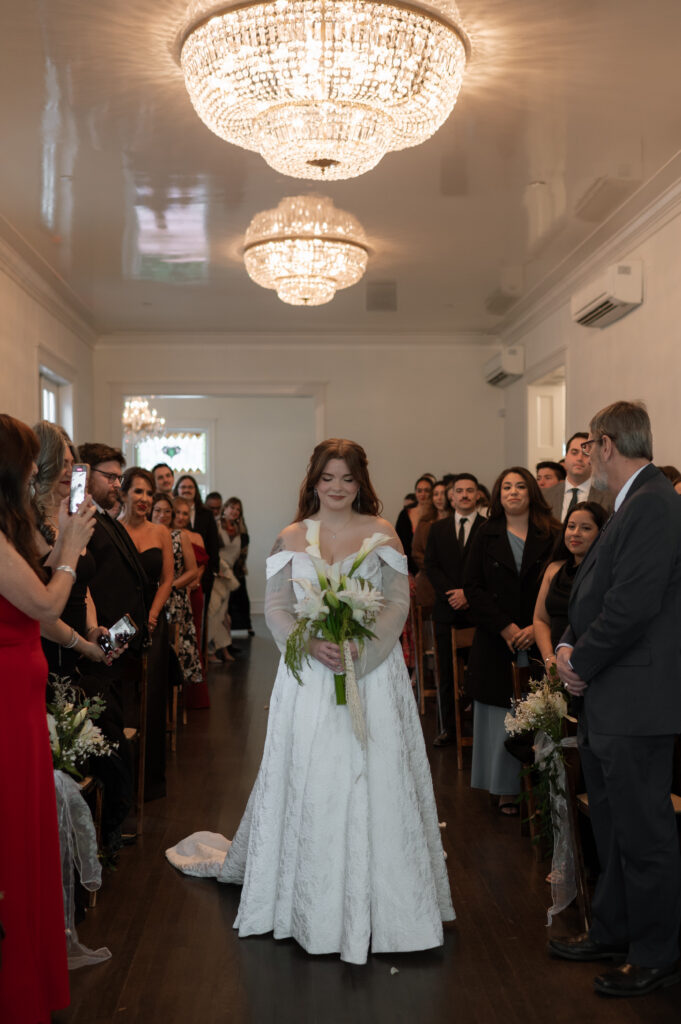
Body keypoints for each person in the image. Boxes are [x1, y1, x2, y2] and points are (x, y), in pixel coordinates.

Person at [166, 438, 454, 964]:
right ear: (313, 482)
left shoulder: (382, 532)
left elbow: (396, 600)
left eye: (347, 479)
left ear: (361, 482)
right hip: (310, 675)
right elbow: (276, 607)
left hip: (371, 672)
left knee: (376, 772)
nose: (338, 488)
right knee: (315, 773)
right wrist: (307, 641)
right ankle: (310, 903)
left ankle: (388, 905)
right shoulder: (290, 537)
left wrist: (361, 653)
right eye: (328, 479)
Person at [550, 401, 681, 998]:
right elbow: (594, 593)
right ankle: (614, 929)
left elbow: (633, 604)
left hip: (636, 696)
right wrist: (573, 641)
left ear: (606, 444)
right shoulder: (631, 499)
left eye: (589, 449)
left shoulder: (653, 501)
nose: (587, 460)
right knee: (610, 822)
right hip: (611, 689)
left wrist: (581, 661)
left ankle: (655, 952)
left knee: (643, 832)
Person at [0, 414, 96, 1022]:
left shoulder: (12, 530)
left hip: (23, 701)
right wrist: (70, 554)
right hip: (5, 704)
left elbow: (42, 601)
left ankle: (31, 976)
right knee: (13, 836)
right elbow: (42, 601)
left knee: (28, 834)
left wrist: (62, 534)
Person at [464, 467, 559, 813]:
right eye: (507, 487)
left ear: (532, 493)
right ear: (498, 495)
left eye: (521, 486)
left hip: (539, 636)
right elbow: (472, 587)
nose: (514, 492)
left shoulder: (551, 533)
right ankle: (505, 788)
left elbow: (562, 584)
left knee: (540, 709)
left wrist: (538, 626)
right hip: (496, 639)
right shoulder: (484, 534)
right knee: (501, 712)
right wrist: (505, 626)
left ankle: (545, 787)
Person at [119, 469, 173, 800]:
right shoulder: (111, 529)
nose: (144, 499)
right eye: (138, 492)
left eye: (149, 493)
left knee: (151, 696)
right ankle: (121, 776)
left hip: (153, 620)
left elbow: (167, 578)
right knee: (122, 695)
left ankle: (149, 780)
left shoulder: (161, 532)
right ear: (123, 493)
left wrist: (153, 614)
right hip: (120, 623)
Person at [424, 473, 486, 747]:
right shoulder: (438, 529)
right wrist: (452, 594)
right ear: (451, 496)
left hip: (478, 612)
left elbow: (488, 568)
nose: (464, 495)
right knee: (446, 674)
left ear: (477, 495)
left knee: (480, 671)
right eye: (459, 491)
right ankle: (449, 728)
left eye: (469, 490)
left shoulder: (488, 527)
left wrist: (468, 595)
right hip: (446, 610)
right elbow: (431, 566)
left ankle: (479, 729)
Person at [151, 492, 209, 709]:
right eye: (158, 510)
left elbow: (193, 571)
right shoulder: (145, 534)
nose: (163, 515)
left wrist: (170, 586)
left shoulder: (179, 536)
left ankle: (175, 702)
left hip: (175, 600)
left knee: (177, 650)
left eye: (167, 511)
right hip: (150, 600)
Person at [533, 502, 607, 670]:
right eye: (571, 526)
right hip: (552, 664)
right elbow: (540, 619)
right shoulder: (553, 569)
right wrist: (549, 658)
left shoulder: (603, 572)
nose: (575, 533)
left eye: (586, 528)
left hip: (589, 662)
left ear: (601, 533)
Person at [544, 432, 613, 521]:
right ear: (566, 457)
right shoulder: (546, 495)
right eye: (574, 452)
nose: (579, 458)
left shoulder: (609, 497)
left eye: (585, 453)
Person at [223, 497, 254, 635]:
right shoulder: (218, 525)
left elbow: (244, 548)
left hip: (237, 569)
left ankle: (245, 626)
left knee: (242, 599)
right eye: (232, 508)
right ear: (225, 508)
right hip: (222, 569)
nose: (235, 511)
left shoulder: (241, 528)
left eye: (238, 510)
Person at [395, 474, 436, 573]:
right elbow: (398, 543)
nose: (422, 494)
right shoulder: (405, 514)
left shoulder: (437, 513)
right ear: (415, 492)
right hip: (408, 568)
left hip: (432, 568)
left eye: (426, 491)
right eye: (419, 490)